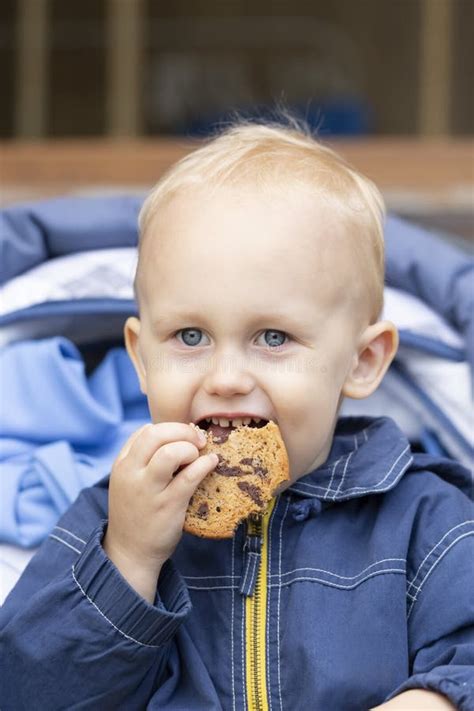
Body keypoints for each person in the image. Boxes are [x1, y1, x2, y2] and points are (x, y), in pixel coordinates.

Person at [1, 118, 473, 711]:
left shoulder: (425, 519)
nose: (225, 379)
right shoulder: (107, 523)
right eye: (190, 335)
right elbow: (27, 692)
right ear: (140, 358)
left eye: (273, 338)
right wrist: (128, 562)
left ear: (361, 362)